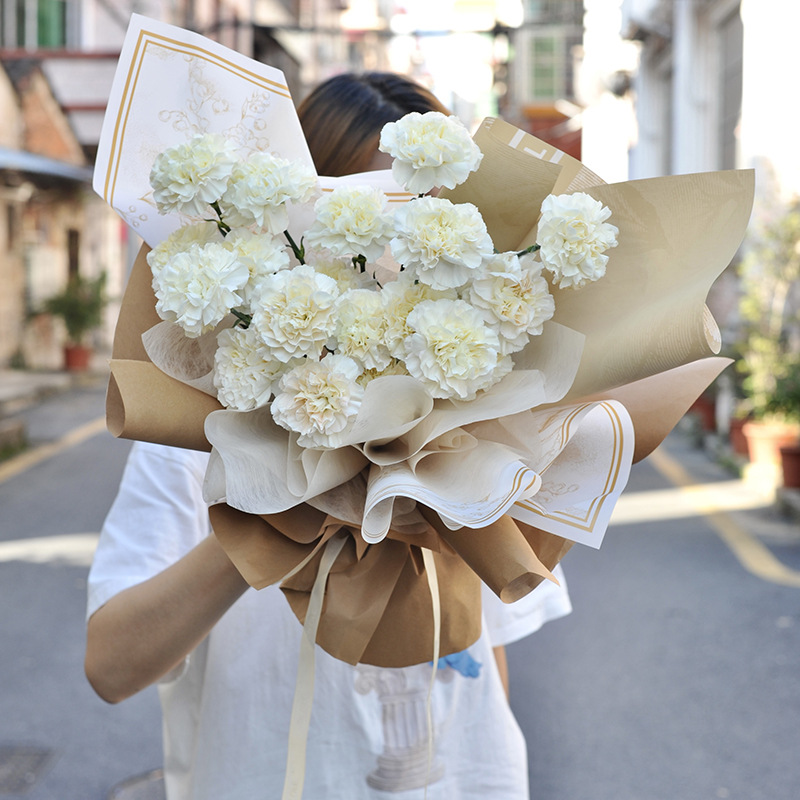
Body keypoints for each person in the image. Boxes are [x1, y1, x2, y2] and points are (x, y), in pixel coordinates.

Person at [84, 71, 572, 800]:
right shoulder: (198, 426)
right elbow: (112, 664)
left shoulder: (479, 408)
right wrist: (270, 510)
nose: (391, 262)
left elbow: (483, 654)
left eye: (418, 224)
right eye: (362, 220)